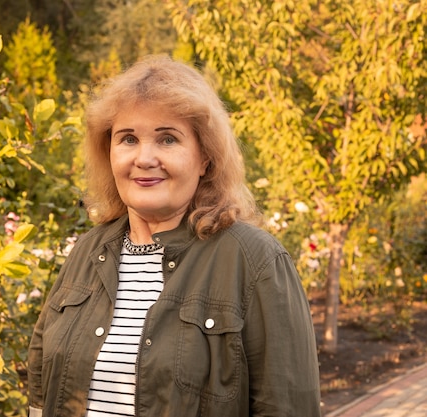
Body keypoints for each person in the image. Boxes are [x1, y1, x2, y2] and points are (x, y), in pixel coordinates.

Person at [27, 55, 321, 417]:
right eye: (128, 139)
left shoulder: (255, 262)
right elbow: (40, 388)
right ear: (109, 153)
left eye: (167, 139)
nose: (144, 158)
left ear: (205, 159)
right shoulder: (88, 251)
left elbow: (287, 407)